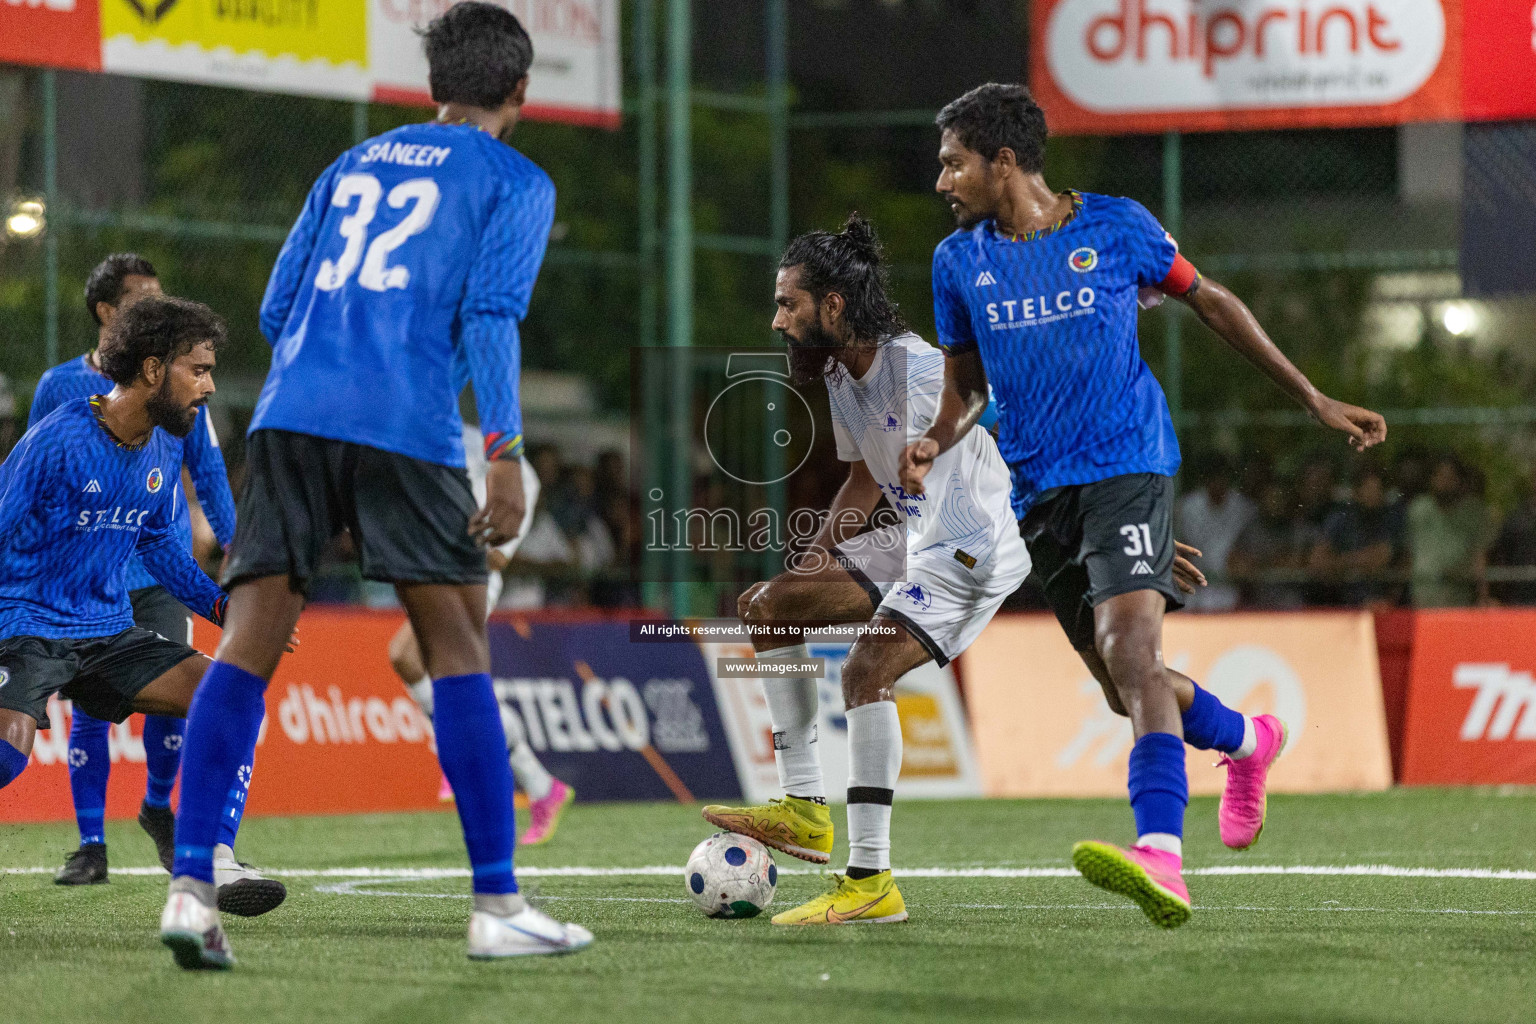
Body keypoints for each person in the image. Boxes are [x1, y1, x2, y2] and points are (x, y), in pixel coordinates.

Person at [157, 3, 591, 969]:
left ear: (433, 84)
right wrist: (509, 451)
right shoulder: (516, 179)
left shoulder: (350, 165)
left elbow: (276, 305)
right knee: (455, 641)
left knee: (248, 641)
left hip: (289, 414)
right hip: (407, 423)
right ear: (521, 89)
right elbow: (488, 313)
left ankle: (191, 889)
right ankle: (497, 904)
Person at [903, 83, 1386, 928]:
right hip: (1041, 491)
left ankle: (1161, 854)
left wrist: (1312, 397)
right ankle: (1248, 740)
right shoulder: (958, 263)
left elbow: (1213, 301)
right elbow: (966, 391)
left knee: (1132, 647)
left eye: (953, 163)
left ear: (1003, 161)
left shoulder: (1117, 225)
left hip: (1131, 461)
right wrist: (934, 441)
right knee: (1122, 684)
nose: (942, 181)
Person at [701, 214, 1032, 925]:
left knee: (864, 671)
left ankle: (872, 883)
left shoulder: (914, 369)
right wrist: (813, 565)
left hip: (967, 548)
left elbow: (983, 402)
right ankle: (803, 810)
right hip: (913, 536)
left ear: (835, 305)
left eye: (789, 303)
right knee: (766, 606)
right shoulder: (842, 374)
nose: (777, 319)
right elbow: (860, 485)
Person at [26, 254, 271, 912]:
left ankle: (200, 848)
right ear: (151, 365)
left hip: (123, 612)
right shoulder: (62, 416)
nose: (210, 387)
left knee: (225, 696)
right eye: (200, 370)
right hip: (40, 614)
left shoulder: (164, 432)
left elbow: (180, 520)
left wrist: (231, 590)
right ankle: (91, 844)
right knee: (26, 749)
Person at [388, 420, 576, 846]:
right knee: (422, 665)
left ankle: (460, 752)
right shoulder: (441, 439)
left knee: (418, 661)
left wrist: (441, 540)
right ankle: (540, 784)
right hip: (434, 573)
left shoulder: (518, 473)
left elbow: (497, 556)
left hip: (470, 580)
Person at [1311, 464, 1404, 607]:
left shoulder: (1390, 519)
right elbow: (1318, 561)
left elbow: (1381, 557)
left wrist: (1339, 563)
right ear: (1356, 492)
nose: (1373, 495)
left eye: (1377, 490)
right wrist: (1358, 561)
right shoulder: (1340, 518)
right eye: (1368, 489)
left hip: (1380, 601)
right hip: (1341, 601)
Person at [1406, 455, 1492, 608]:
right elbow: (1407, 555)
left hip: (1459, 601)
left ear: (1459, 481)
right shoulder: (1419, 509)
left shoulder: (1473, 512)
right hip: (1423, 599)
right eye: (1440, 476)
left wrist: (1483, 597)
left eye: (1450, 477)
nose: (1444, 482)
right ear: (1431, 478)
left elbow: (1479, 558)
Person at [1175, 453, 1255, 612]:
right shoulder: (1187, 507)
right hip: (1194, 591)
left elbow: (1248, 553)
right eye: (1213, 477)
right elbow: (1181, 549)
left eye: (1222, 477)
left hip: (1231, 589)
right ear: (1205, 480)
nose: (1218, 483)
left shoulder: (1243, 508)